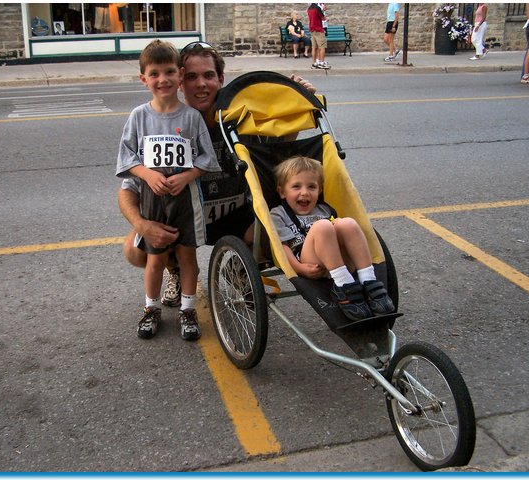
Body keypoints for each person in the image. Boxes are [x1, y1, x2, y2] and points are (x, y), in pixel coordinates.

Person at [118, 41, 316, 321]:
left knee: (272, 229)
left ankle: (240, 268)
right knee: (135, 250)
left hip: (235, 215)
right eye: (192, 77)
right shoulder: (164, 126)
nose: (201, 84)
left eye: (208, 75)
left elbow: (278, 150)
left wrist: (298, 102)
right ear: (181, 81)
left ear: (221, 79)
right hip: (184, 215)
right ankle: (174, 268)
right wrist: (142, 225)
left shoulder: (241, 118)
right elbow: (128, 189)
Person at [116, 39, 220, 341]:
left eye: (170, 72)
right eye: (155, 73)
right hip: (152, 198)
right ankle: (151, 308)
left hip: (185, 198)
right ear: (143, 78)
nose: (163, 79)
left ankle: (188, 310)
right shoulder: (139, 116)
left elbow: (207, 158)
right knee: (155, 258)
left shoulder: (191, 117)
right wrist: (147, 174)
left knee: (188, 256)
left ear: (180, 74)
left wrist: (188, 176)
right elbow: (127, 156)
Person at [270, 155, 394, 322]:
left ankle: (368, 280)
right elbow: (281, 247)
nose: (304, 192)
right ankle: (343, 285)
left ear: (320, 190)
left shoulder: (325, 209)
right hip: (309, 261)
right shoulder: (279, 214)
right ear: (282, 192)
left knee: (348, 223)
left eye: (312, 186)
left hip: (339, 260)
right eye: (296, 186)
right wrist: (299, 268)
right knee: (323, 226)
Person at [307, 3, 330, 69]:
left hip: (312, 29)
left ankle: (314, 63)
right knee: (322, 47)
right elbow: (323, 18)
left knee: (314, 47)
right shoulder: (317, 8)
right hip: (319, 29)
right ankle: (321, 63)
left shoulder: (309, 9)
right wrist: (327, 18)